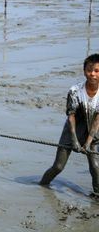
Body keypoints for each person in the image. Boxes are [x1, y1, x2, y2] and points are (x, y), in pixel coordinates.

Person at [40, 54, 99, 198]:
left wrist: (88, 143)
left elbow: (97, 120)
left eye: (97, 70)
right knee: (58, 166)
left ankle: (97, 195)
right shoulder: (75, 91)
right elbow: (71, 117)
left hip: (93, 132)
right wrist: (74, 141)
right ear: (84, 71)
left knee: (96, 168)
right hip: (72, 131)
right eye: (89, 70)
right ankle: (41, 185)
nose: (92, 74)